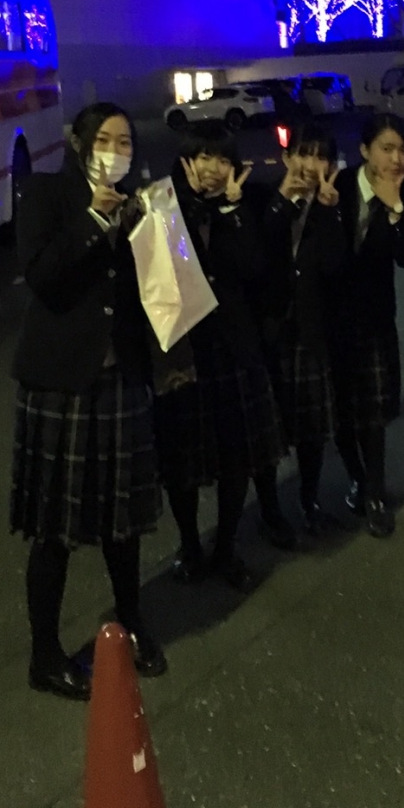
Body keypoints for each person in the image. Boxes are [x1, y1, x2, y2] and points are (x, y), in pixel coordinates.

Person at [9, 102, 166, 701]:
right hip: (61, 383)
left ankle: (133, 623)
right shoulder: (46, 195)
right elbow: (42, 277)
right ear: (79, 144)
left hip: (120, 377)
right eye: (104, 140)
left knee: (123, 522)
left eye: (124, 142)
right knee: (54, 527)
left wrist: (164, 233)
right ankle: (44, 655)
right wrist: (96, 221)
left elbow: (160, 287)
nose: (115, 151)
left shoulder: (139, 205)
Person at [157, 123, 287, 593]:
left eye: (223, 159)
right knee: (182, 461)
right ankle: (191, 545)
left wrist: (231, 210)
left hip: (234, 349)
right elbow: (165, 270)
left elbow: (253, 269)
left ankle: (226, 547)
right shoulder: (164, 206)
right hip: (185, 349)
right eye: (204, 157)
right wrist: (190, 205)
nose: (213, 168)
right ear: (187, 160)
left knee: (237, 457)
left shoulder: (243, 205)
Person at [331, 113, 404, 539]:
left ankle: (375, 493)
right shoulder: (339, 185)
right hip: (332, 318)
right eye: (387, 149)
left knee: (372, 414)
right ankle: (357, 477)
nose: (397, 159)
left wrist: (395, 208)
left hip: (373, 319)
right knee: (339, 412)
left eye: (402, 150)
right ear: (365, 150)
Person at [255, 124, 347, 539]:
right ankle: (270, 510)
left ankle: (309, 501)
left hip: (310, 333)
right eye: (304, 154)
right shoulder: (263, 197)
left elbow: (335, 267)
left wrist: (327, 212)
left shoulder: (332, 204)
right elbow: (255, 258)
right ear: (287, 157)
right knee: (266, 430)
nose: (311, 164)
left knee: (311, 430)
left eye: (320, 156)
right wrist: (281, 201)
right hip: (270, 331)